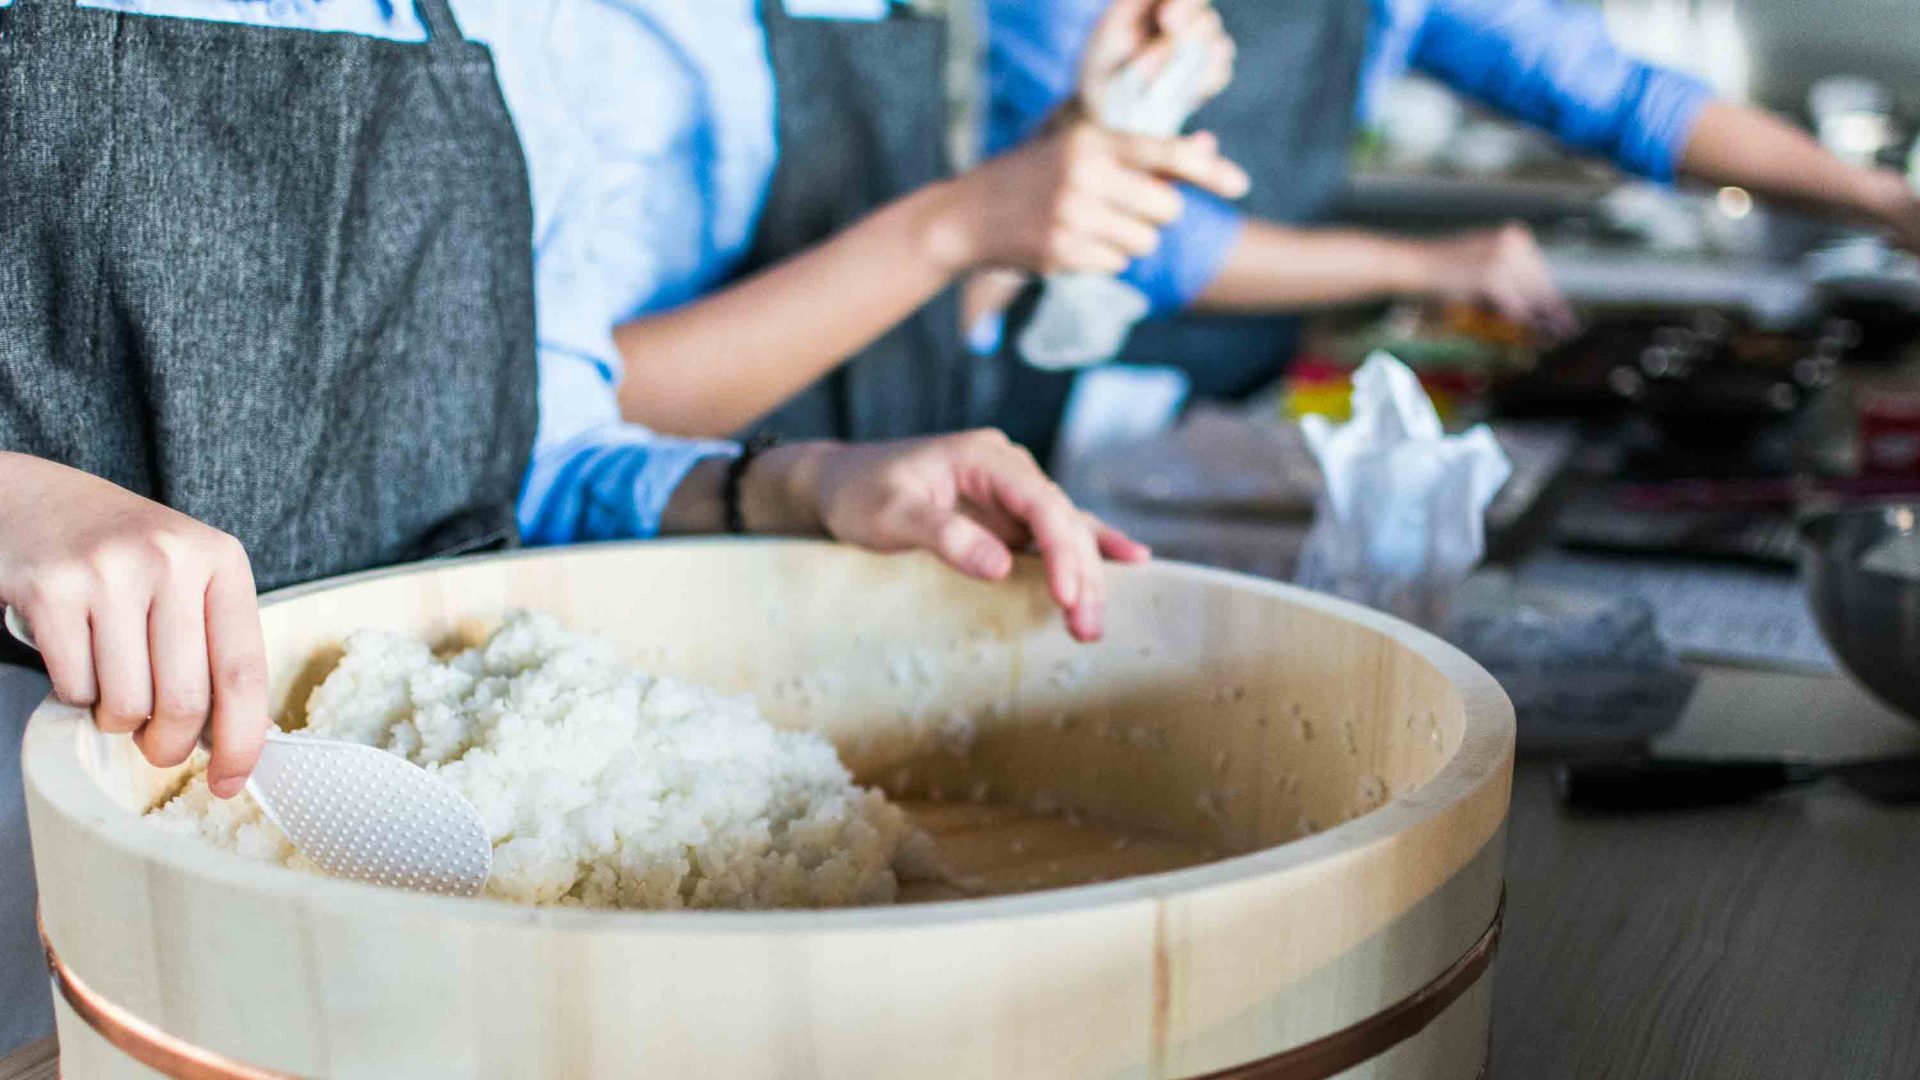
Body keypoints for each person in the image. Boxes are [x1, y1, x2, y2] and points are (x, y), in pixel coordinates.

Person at [0, 0, 1146, 1058]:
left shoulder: (509, 30)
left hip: (390, 865)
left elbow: (531, 441)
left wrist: (791, 484)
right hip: (53, 831)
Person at [985, 0, 1920, 457]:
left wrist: (1881, 201)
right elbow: (1143, 238)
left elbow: (1614, 96)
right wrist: (1430, 260)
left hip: (1238, 385)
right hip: (1028, 380)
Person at [547, 0, 1245, 443]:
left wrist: (1081, 141)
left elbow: (919, 322)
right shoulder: (588, 31)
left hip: (879, 523)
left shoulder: (890, 10)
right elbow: (553, 408)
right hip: (656, 568)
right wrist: (955, 226)